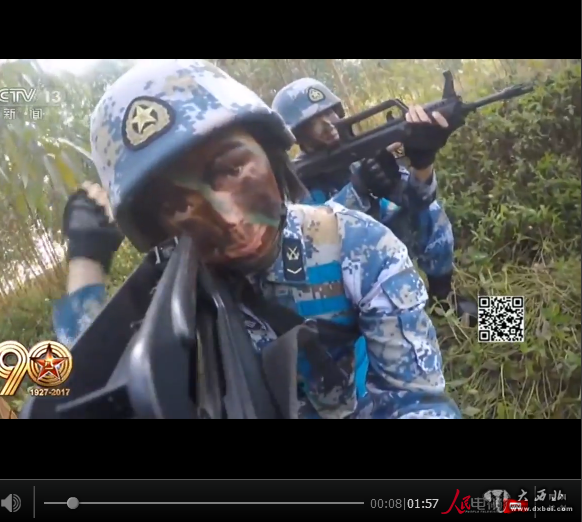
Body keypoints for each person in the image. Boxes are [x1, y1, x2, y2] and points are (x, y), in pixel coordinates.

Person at [55, 59, 460, 419]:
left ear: (269, 151)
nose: (230, 219)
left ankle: (451, 298)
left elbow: (415, 399)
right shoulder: (178, 301)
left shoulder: (354, 241)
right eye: (180, 205)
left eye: (233, 170)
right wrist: (85, 264)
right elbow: (96, 384)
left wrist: (419, 167)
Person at [272, 78, 478, 328]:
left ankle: (444, 300)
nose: (328, 124)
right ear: (296, 135)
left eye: (329, 112)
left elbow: (418, 199)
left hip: (387, 250)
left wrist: (423, 161)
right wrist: (359, 190)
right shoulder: (295, 182)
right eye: (313, 121)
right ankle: (386, 325)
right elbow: (309, 244)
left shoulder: (360, 153)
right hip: (345, 284)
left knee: (430, 212)